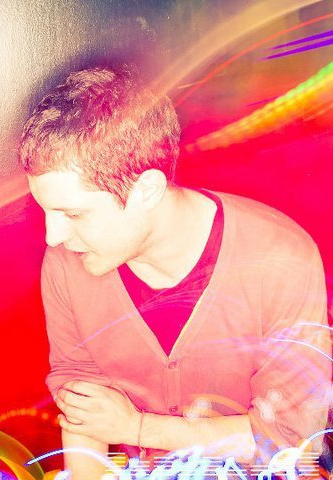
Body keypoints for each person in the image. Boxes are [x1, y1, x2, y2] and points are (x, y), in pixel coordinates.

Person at [19, 64, 331, 478]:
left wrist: (137, 428)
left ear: (147, 190)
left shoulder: (281, 259)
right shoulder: (66, 264)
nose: (53, 236)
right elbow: (83, 398)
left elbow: (290, 440)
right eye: (46, 211)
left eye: (73, 214)